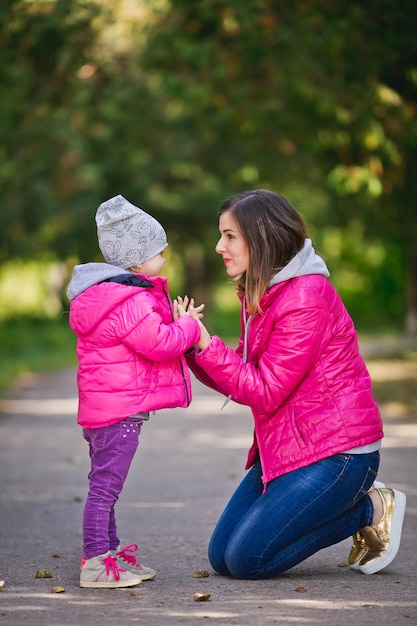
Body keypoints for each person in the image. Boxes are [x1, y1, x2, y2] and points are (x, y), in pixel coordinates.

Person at [176, 188, 406, 579]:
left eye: (229, 236)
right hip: (288, 450)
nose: (219, 246)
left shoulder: (306, 296)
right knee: (221, 556)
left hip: (338, 456)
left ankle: (372, 507)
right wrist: (189, 345)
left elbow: (263, 391)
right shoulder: (265, 292)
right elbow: (241, 375)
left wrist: (204, 343)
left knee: (248, 560)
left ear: (260, 237)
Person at [67, 194, 203, 588]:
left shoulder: (110, 295)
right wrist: (190, 326)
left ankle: (108, 556)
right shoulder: (129, 300)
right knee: (104, 490)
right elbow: (160, 343)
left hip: (106, 411)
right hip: (117, 414)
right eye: (159, 253)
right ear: (139, 260)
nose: (163, 258)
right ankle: (95, 563)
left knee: (105, 487)